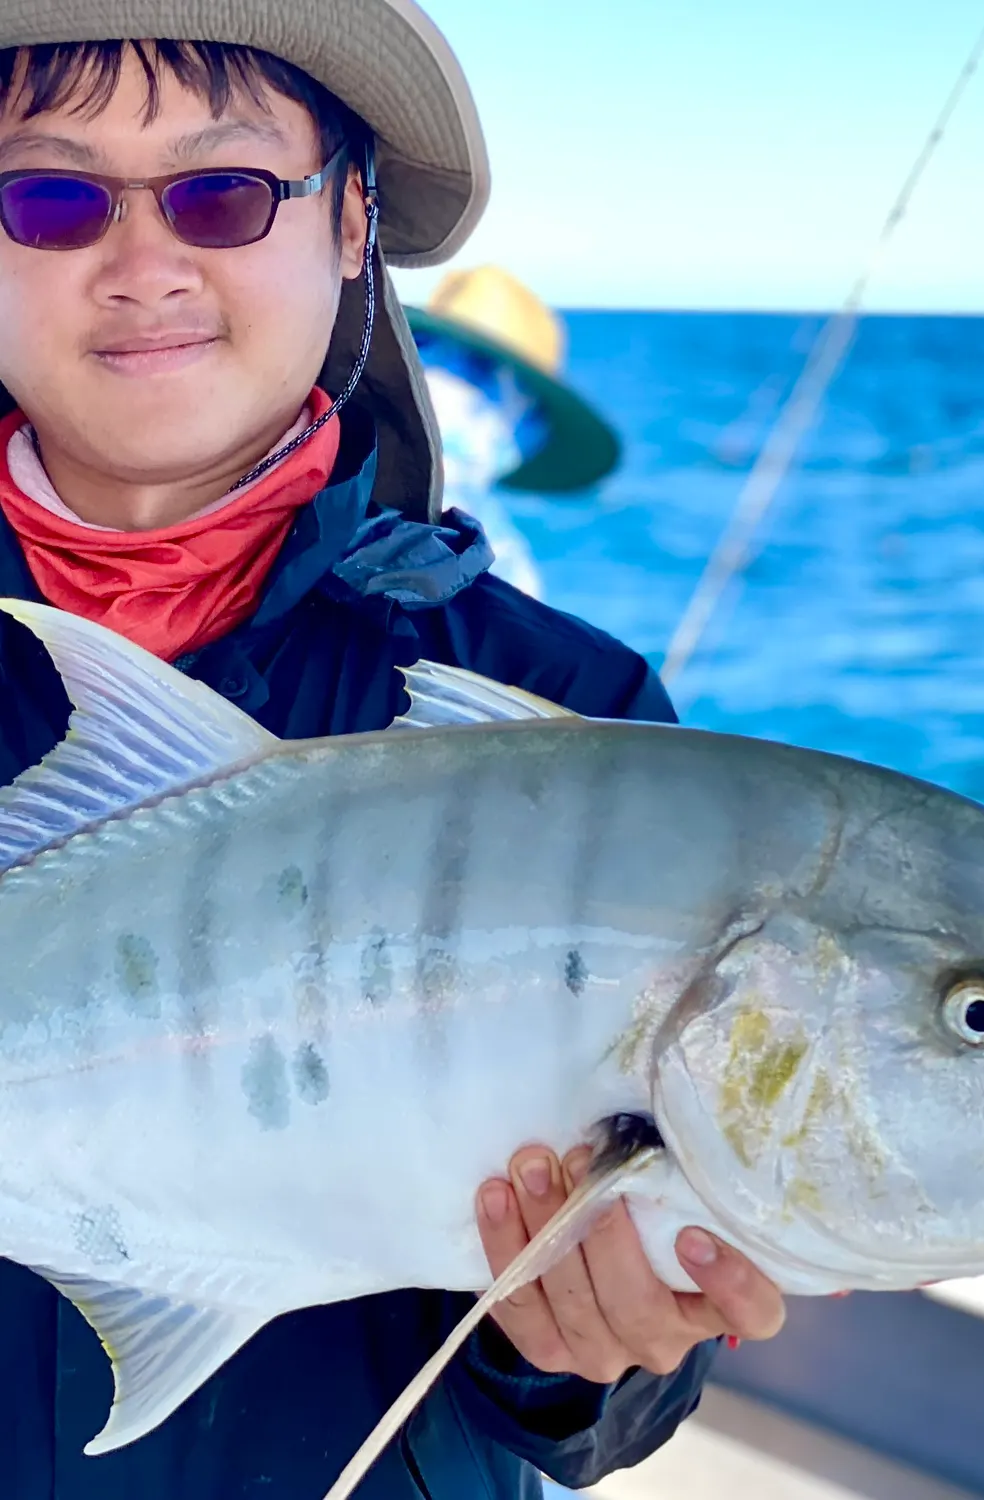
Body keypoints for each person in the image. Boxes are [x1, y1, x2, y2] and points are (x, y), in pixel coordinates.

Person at [0, 6, 783, 1499]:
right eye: (52, 197)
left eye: (222, 194)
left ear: (354, 225)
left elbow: (601, 1413)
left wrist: (576, 1353)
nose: (143, 263)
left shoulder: (561, 708)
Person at [408, 263, 623, 602]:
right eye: (424, 346)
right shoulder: (510, 570)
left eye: (477, 369)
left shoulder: (504, 569)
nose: (443, 374)